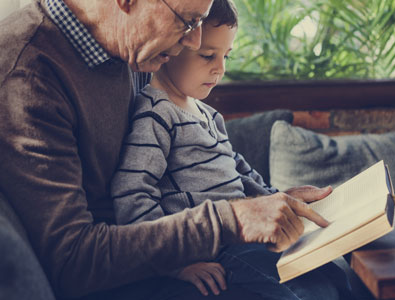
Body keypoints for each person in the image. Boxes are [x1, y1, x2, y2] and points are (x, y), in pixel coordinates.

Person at [0, 0, 348, 299]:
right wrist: (230, 219)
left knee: (327, 273)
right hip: (126, 277)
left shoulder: (130, 46)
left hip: (170, 251)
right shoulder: (28, 74)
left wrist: (276, 201)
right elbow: (72, 261)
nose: (192, 41)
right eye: (187, 20)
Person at [110, 1, 351, 299]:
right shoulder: (156, 114)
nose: (220, 68)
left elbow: (242, 172)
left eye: (226, 56)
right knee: (304, 294)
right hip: (217, 249)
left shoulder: (209, 115)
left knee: (332, 273)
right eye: (208, 55)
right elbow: (132, 194)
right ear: (173, 47)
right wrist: (175, 264)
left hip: (247, 237)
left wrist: (281, 199)